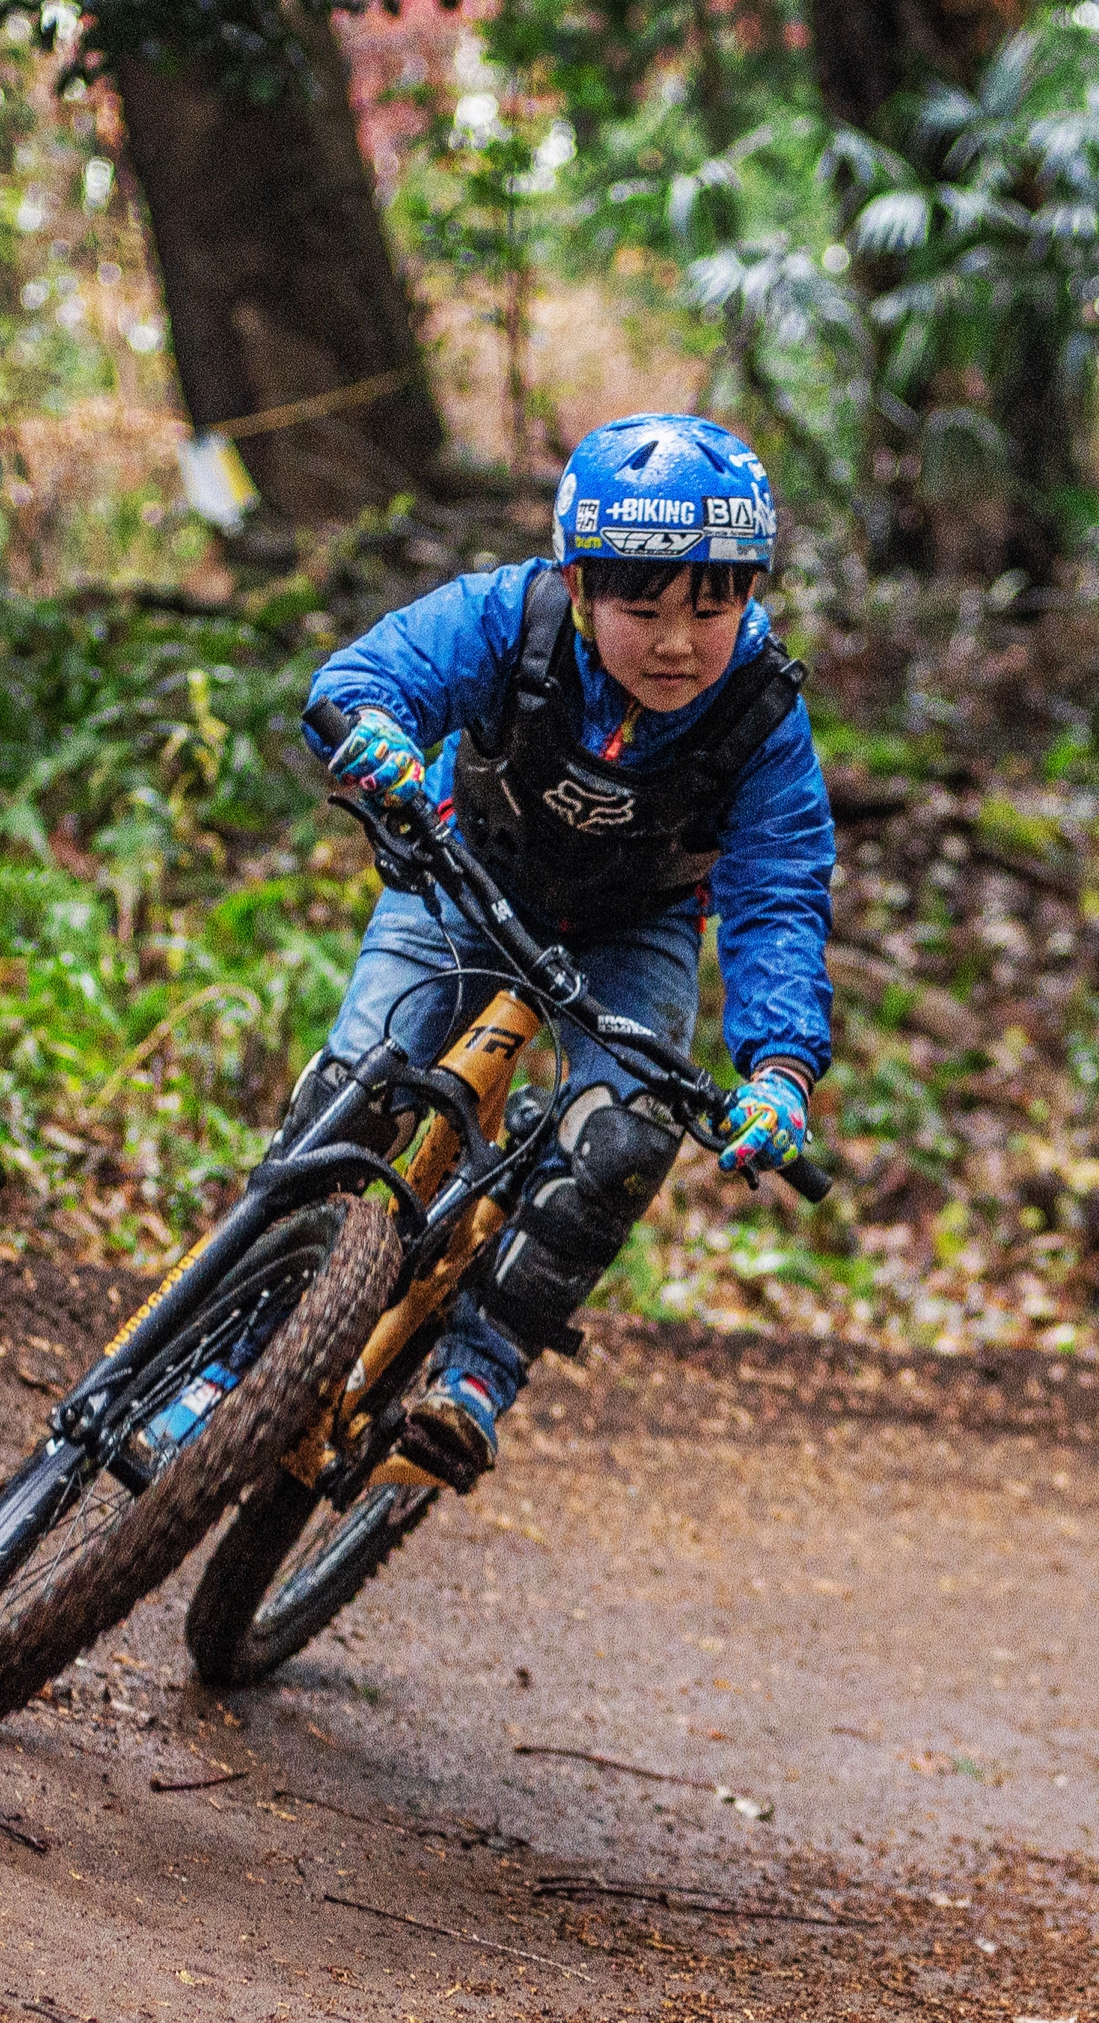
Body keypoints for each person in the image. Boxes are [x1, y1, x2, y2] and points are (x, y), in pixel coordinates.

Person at [288, 411, 832, 1494]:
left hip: (634, 935)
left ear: (752, 596)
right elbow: (369, 676)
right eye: (644, 607)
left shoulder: (762, 711)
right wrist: (374, 730)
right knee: (356, 1092)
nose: (679, 642)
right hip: (462, 880)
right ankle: (234, 1350)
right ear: (579, 584)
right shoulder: (511, 619)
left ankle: (477, 1375)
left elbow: (777, 893)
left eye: (714, 607)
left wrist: (778, 1067)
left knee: (621, 1141)